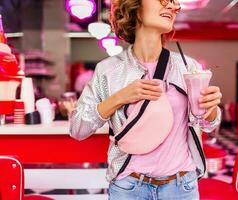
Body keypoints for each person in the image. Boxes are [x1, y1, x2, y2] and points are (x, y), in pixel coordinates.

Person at [70, 0, 222, 199]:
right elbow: (77, 129)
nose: (173, 7)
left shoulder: (187, 66)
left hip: (182, 187)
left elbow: (208, 125)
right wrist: (119, 97)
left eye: (174, 3)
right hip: (128, 188)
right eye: (163, 0)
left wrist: (210, 109)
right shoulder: (108, 70)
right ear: (135, 7)